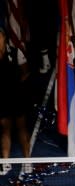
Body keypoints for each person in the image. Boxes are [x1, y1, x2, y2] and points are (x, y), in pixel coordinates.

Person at [0, 27, 32, 175]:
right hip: (2, 99)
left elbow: (25, 72)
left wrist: (16, 86)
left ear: (5, 38)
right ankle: (5, 163)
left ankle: (28, 162)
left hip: (17, 97)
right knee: (5, 128)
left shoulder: (15, 52)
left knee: (22, 128)